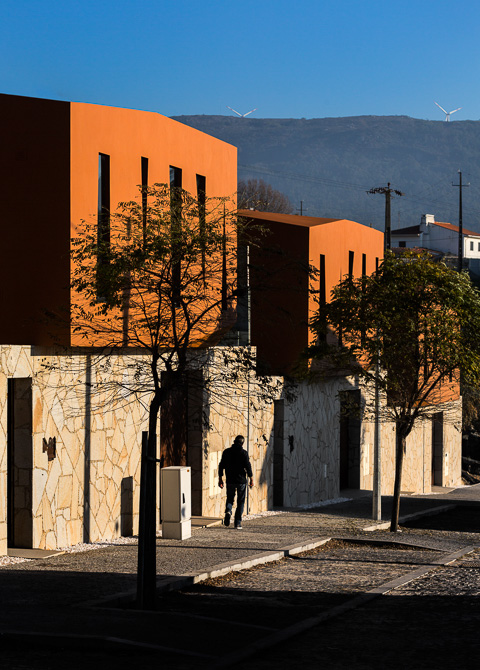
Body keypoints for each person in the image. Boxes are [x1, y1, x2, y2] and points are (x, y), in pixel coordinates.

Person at [218, 435, 253, 529]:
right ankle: (237, 522)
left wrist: (220, 478)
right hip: (241, 481)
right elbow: (248, 466)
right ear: (242, 443)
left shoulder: (226, 452)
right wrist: (251, 478)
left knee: (230, 498)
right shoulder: (244, 453)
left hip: (230, 480)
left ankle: (228, 511)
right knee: (240, 501)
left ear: (234, 441)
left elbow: (221, 465)